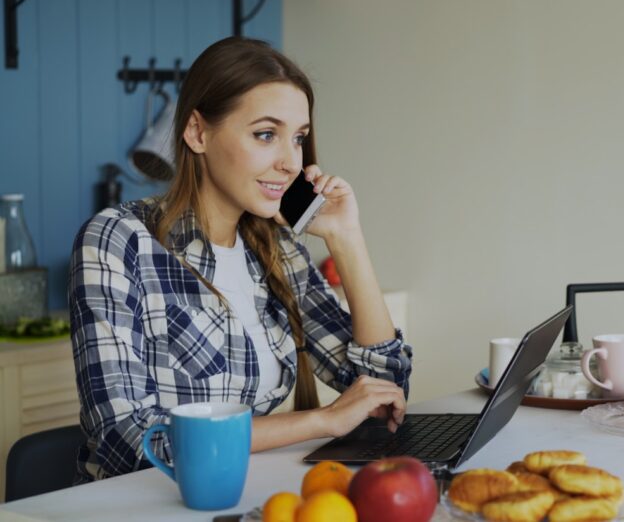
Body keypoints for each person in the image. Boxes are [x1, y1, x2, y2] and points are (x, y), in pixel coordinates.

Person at [68, 37, 412, 482]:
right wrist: (320, 421)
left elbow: (384, 394)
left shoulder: (278, 249)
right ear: (197, 132)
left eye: (299, 139)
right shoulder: (119, 240)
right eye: (266, 134)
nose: (290, 162)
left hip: (252, 493)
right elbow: (127, 439)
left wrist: (346, 238)